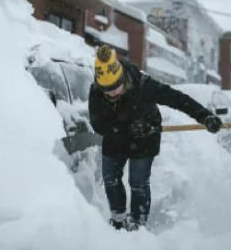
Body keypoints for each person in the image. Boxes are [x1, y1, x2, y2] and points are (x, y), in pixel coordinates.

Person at [88, 44, 223, 231]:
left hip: (145, 136)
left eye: (114, 87)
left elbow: (177, 99)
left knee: (138, 182)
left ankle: (137, 224)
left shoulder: (143, 85)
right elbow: (98, 124)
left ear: (123, 77)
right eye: (106, 89)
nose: (111, 92)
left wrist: (205, 116)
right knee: (110, 178)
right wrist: (124, 130)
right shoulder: (96, 91)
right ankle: (118, 219)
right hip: (115, 137)